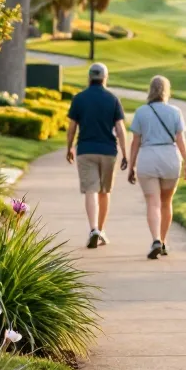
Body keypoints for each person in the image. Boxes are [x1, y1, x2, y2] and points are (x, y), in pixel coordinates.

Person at [128, 76, 186, 259]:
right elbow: (181, 140)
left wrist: (131, 166)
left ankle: (156, 239)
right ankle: (163, 242)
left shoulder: (141, 112)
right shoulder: (175, 111)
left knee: (153, 202)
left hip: (148, 158)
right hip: (170, 158)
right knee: (166, 203)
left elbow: (135, 142)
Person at [66, 63, 128, 249]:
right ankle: (100, 230)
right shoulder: (112, 99)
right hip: (108, 151)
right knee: (104, 192)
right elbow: (120, 129)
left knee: (90, 190)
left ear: (89, 78)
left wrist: (69, 147)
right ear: (105, 78)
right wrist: (125, 154)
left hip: (86, 150)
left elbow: (71, 128)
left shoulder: (79, 98)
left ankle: (94, 229)